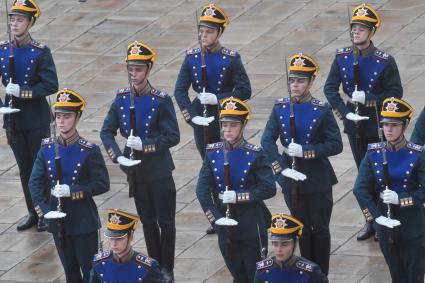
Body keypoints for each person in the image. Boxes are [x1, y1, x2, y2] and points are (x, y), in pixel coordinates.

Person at [100, 41, 180, 282]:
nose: (134, 74)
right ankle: (156, 267)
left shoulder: (160, 100)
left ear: (148, 70)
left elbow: (173, 135)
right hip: (136, 172)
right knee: (147, 222)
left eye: (138, 69)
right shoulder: (122, 98)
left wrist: (146, 145)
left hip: (159, 170)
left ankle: (168, 268)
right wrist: (118, 155)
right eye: (131, 69)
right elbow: (106, 131)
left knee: (165, 222)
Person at [323, 3, 403, 241]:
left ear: (371, 32)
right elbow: (330, 88)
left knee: (383, 175)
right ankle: (370, 219)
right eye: (354, 27)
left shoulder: (385, 61)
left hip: (377, 124)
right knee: (364, 176)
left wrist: (369, 100)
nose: (356, 31)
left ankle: (385, 218)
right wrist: (344, 113)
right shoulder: (342, 57)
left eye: (361, 28)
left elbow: (394, 93)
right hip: (355, 127)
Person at [261, 53, 342, 275]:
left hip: (317, 179)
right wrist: (281, 168)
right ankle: (305, 273)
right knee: (301, 230)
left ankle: (320, 274)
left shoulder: (321, 109)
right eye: (292, 80)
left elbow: (336, 145)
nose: (295, 85)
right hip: (291, 180)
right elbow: (266, 140)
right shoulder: (280, 108)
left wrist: (307, 151)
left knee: (320, 230)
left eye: (301, 81)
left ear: (311, 82)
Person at [29, 88, 110, 282]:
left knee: (92, 274)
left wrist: (72, 191)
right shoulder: (46, 148)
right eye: (58, 116)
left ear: (77, 118)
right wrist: (45, 211)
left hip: (83, 222)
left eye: (67, 116)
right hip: (59, 224)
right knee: (71, 275)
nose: (62, 121)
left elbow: (102, 183)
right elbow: (34, 183)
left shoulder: (89, 150)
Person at [196, 97, 276, 283]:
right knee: (237, 275)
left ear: (243, 125)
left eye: (233, 125)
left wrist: (239, 197)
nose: (227, 130)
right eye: (224, 125)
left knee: (255, 276)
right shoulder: (212, 152)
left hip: (250, 225)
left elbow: (268, 188)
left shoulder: (255, 154)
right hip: (225, 226)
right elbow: (202, 189)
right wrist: (215, 218)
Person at [0, 0, 58, 232]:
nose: (15, 24)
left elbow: (51, 84)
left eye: (20, 20)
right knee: (24, 168)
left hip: (35, 118)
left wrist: (24, 92)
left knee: (39, 167)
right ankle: (32, 211)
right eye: (13, 19)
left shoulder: (40, 52)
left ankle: (45, 211)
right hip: (13, 120)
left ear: (30, 22)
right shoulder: (3, 49)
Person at [353, 97, 425, 282]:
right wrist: (377, 218)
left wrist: (401, 199)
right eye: (385, 125)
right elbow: (359, 189)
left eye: (394, 125)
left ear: (405, 126)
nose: (389, 130)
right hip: (385, 227)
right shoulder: (373, 153)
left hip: (412, 227)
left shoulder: (417, 154)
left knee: (414, 276)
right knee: (396, 276)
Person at [90, 209, 165, 283]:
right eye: (111, 238)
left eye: (119, 239)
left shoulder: (147, 267)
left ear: (130, 237)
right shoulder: (99, 263)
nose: (114, 244)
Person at [254, 213, 328, 282]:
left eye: (284, 244)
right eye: (275, 244)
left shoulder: (311, 273)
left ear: (295, 244)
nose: (279, 249)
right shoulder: (262, 271)